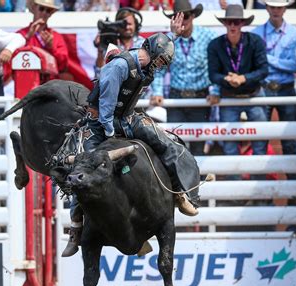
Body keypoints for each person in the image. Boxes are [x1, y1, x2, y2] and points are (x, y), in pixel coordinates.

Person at [62, 19, 201, 257]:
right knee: (81, 170)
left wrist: (173, 35)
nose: (159, 66)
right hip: (102, 124)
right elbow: (105, 108)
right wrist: (110, 137)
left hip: (126, 118)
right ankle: (76, 229)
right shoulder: (119, 67)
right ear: (153, 54)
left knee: (167, 144)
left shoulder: (145, 60)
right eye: (160, 60)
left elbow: (158, 47)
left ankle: (178, 192)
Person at [150, 0, 219, 156]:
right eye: (177, 17)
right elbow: (159, 69)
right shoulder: (168, 40)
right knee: (175, 144)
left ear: (193, 16)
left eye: (185, 16)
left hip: (200, 98)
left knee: (198, 146)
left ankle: (198, 179)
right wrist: (157, 92)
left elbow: (214, 67)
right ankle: (180, 181)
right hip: (176, 99)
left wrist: (215, 90)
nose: (181, 21)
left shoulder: (208, 36)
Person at [207, 5, 269, 176]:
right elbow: (213, 74)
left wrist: (243, 78)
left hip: (254, 96)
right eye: (229, 22)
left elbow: (264, 70)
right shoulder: (215, 45)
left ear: (242, 23)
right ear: (225, 24)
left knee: (260, 143)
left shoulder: (255, 41)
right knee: (229, 145)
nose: (233, 25)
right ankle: (236, 191)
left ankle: (260, 191)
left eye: (236, 22)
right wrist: (227, 79)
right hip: (229, 97)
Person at [251, 0, 296, 163]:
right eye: (273, 7)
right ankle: (257, 183)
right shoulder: (256, 33)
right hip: (264, 87)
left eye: (279, 7)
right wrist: (277, 62)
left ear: (285, 9)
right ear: (266, 8)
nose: (276, 10)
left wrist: (267, 59)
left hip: (285, 87)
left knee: (290, 139)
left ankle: (295, 184)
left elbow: (295, 66)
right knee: (260, 139)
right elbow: (257, 65)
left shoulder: (295, 34)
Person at [17, 0, 68, 74]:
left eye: (48, 10)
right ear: (34, 8)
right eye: (41, 8)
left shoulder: (56, 37)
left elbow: (63, 66)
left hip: (50, 83)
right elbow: (12, 58)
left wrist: (51, 47)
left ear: (51, 14)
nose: (44, 13)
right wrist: (27, 38)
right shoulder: (21, 34)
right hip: (27, 80)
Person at [94, 7, 145, 78]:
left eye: (129, 24)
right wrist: (100, 52)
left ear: (136, 25)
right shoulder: (110, 43)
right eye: (123, 24)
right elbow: (99, 75)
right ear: (117, 25)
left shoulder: (143, 44)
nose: (126, 27)